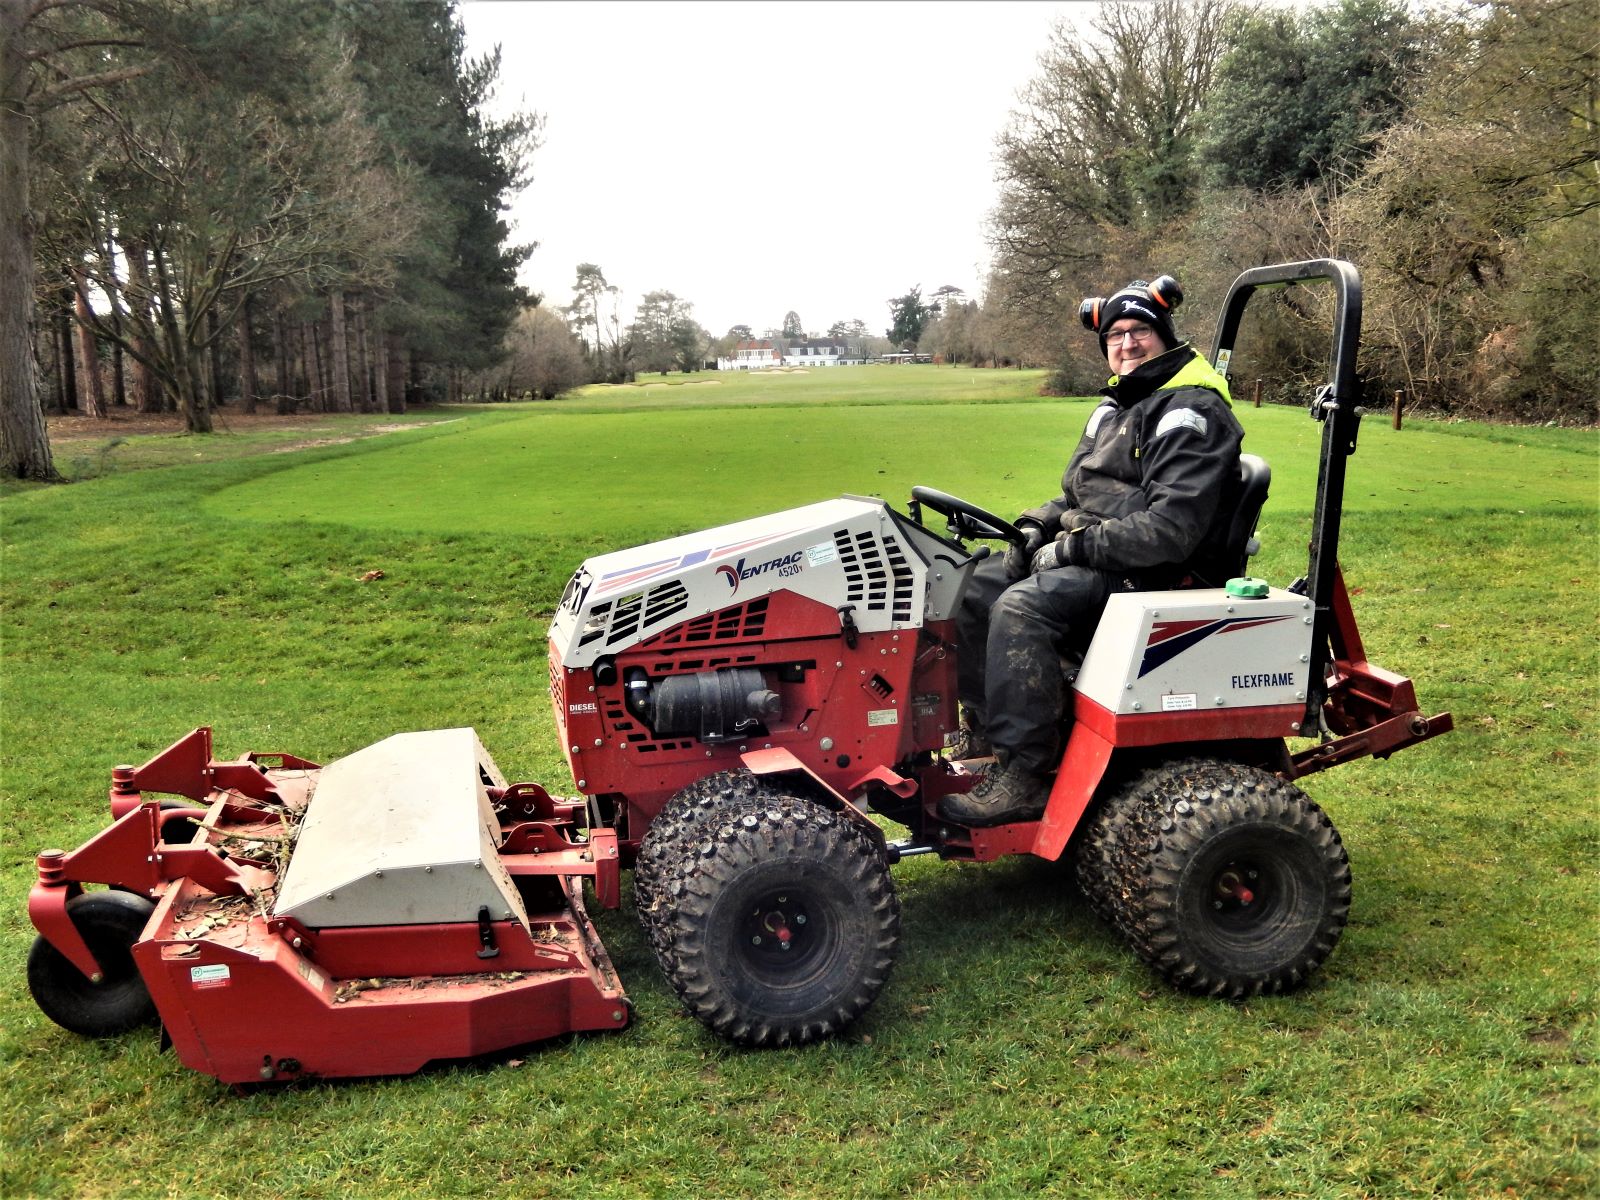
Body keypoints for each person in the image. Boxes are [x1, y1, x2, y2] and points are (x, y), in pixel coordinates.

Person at [937, 276, 1245, 827]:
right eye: (1115, 335)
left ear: (1163, 334)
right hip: (1106, 551)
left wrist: (1073, 546)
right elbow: (1077, 490)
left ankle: (1028, 774)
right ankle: (989, 728)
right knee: (970, 586)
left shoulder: (1190, 411)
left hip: (1160, 571)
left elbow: (1168, 532)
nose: (1127, 345)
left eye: (1139, 331)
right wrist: (1035, 527)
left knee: (1023, 607)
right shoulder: (1115, 405)